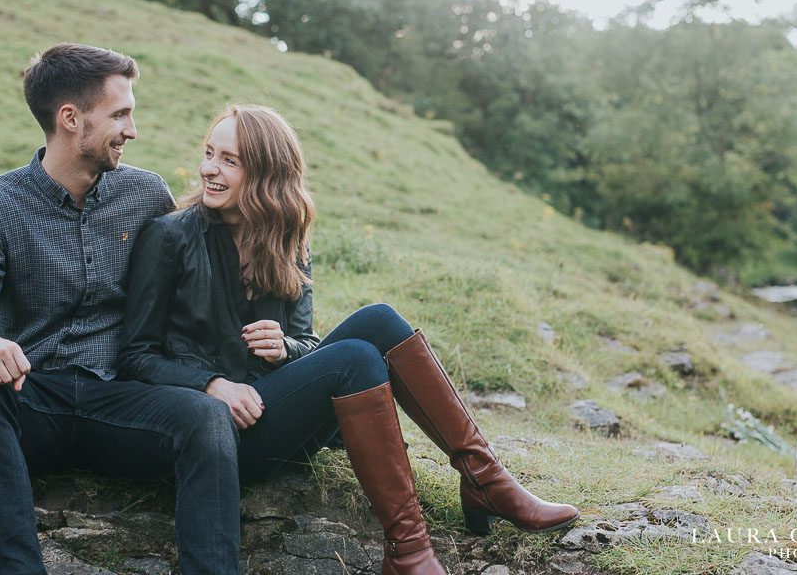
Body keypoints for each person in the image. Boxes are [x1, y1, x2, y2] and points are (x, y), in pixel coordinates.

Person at [118, 105, 579, 575]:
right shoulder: (169, 237)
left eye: (229, 160)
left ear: (266, 174)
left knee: (378, 320)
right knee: (358, 357)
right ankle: (410, 548)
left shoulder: (287, 237)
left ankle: (482, 477)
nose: (208, 169)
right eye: (209, 153)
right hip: (218, 433)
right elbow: (135, 357)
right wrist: (211, 382)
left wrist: (286, 349)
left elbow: (306, 343)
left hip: (280, 412)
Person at [0, 43, 241, 575]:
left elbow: (193, 295)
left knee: (206, 419)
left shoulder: (146, 195)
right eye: (120, 114)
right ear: (70, 119)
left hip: (125, 402)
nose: (133, 130)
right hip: (36, 402)